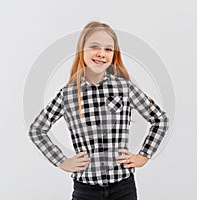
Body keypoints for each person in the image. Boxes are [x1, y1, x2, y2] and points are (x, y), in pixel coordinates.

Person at [28, 21, 169, 200]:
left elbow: (159, 119)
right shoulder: (68, 94)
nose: (101, 53)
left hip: (123, 187)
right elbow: (37, 130)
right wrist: (61, 161)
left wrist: (144, 155)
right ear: (82, 50)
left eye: (108, 49)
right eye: (95, 47)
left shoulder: (124, 88)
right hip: (85, 190)